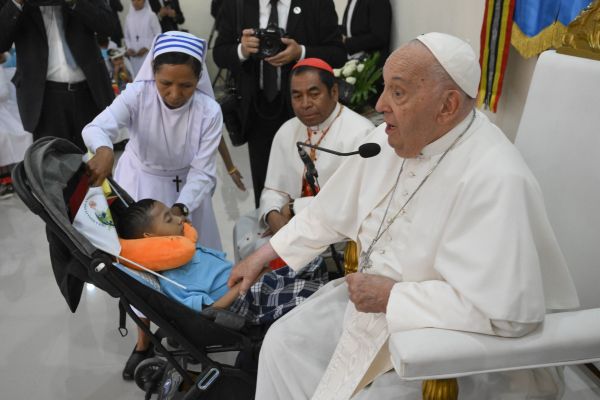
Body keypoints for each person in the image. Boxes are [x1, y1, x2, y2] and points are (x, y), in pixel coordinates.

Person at [227, 32, 580, 399]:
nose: (380, 104)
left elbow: (506, 315)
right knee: (284, 344)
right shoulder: (387, 140)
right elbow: (329, 211)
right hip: (374, 308)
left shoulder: (497, 178)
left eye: (397, 93)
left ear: (447, 105)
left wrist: (394, 297)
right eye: (384, 88)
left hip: (455, 343)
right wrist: (263, 256)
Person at [82, 31, 223, 380]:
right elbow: (97, 127)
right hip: (141, 187)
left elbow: (204, 172)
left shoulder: (209, 110)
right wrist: (103, 150)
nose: (175, 95)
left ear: (198, 80)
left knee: (190, 269)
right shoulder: (138, 94)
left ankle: (192, 336)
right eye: (166, 84)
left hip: (187, 195)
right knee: (143, 271)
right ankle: (144, 341)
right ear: (153, 75)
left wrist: (182, 209)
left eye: (186, 86)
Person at [234, 58, 374, 261]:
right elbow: (274, 189)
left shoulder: (360, 134)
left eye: (314, 94)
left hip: (335, 233)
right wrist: (273, 216)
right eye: (297, 96)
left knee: (261, 255)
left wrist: (293, 209)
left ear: (334, 92)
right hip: (288, 225)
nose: (305, 104)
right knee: (243, 230)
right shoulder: (287, 130)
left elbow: (353, 201)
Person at [213, 0, 347, 207]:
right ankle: (269, 227)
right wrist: (242, 49)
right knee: (265, 182)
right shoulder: (236, 4)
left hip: (304, 112)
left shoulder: (317, 4)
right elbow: (219, 53)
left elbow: (338, 54)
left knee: (308, 180)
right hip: (256, 110)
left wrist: (300, 52)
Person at [115, 198, 328, 325]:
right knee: (311, 294)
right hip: (245, 302)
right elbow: (209, 311)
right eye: (169, 219)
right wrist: (247, 282)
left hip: (253, 283)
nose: (180, 219)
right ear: (149, 238)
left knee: (314, 262)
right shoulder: (173, 280)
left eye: (173, 214)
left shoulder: (187, 251)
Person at [0, 0, 115, 151]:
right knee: (55, 168)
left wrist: (75, 2)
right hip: (43, 100)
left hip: (90, 92)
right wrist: (17, 2)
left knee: (97, 165)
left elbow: (108, 26)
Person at [0, 52, 31, 199]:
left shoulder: (6, 65)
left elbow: (3, 93)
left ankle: (20, 178)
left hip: (7, 111)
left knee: (14, 136)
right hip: (6, 113)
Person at [124, 0, 161, 76]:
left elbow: (158, 34)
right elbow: (126, 36)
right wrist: (129, 48)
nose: (136, 2)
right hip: (134, 56)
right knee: (137, 77)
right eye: (133, 0)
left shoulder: (151, 15)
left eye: (139, 0)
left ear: (144, 1)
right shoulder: (129, 17)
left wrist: (147, 47)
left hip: (148, 54)